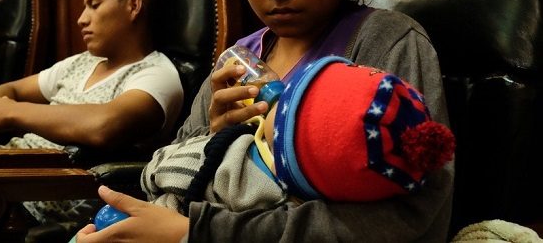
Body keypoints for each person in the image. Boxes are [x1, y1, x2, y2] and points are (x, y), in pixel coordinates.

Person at [75, 0, 453, 242]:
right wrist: (217, 139)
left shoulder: (385, 43)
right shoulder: (239, 59)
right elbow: (175, 174)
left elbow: (413, 217)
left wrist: (199, 232)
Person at [0, 0, 183, 237]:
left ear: (133, 6)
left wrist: (11, 112)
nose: (81, 18)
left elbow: (105, 125)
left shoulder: (156, 74)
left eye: (94, 5)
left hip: (32, 197)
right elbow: (7, 90)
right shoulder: (80, 63)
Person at [141, 56, 455, 214]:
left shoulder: (391, 39)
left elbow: (159, 169)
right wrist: (217, 135)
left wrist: (191, 229)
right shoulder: (242, 52)